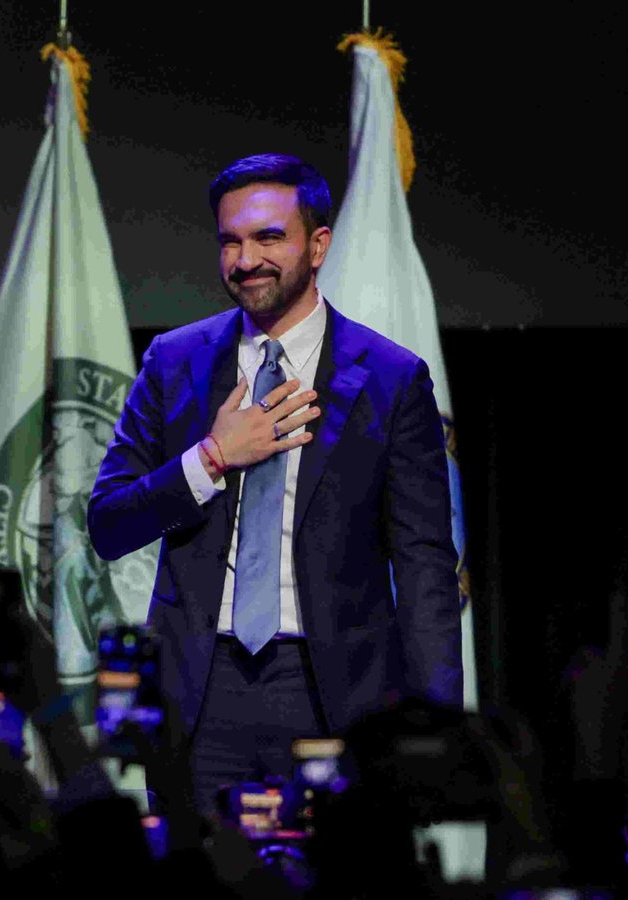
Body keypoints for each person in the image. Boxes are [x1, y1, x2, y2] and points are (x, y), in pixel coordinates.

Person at [87, 153, 463, 811]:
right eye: (230, 240)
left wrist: (437, 728)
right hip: (201, 690)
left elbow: (426, 565)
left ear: (317, 245)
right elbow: (109, 525)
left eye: (268, 237)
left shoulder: (392, 378)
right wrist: (209, 459)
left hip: (336, 691)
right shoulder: (173, 362)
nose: (244, 259)